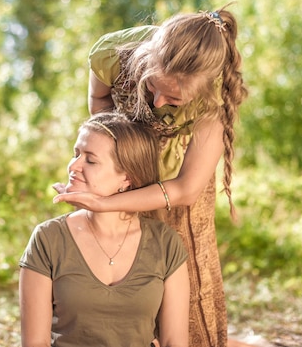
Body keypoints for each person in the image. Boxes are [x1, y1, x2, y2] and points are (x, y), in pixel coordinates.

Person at [52, 5, 248, 347]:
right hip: (128, 164)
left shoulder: (213, 101)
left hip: (180, 181)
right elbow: (99, 102)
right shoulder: (112, 54)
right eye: (153, 86)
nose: (158, 102)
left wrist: (105, 202)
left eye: (173, 99)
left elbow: (185, 188)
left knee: (182, 279)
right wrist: (121, 160)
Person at [19, 112, 190, 347]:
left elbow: (174, 341)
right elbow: (35, 344)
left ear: (126, 178)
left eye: (91, 160)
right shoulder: (48, 238)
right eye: (76, 154)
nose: (74, 166)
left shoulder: (164, 242)